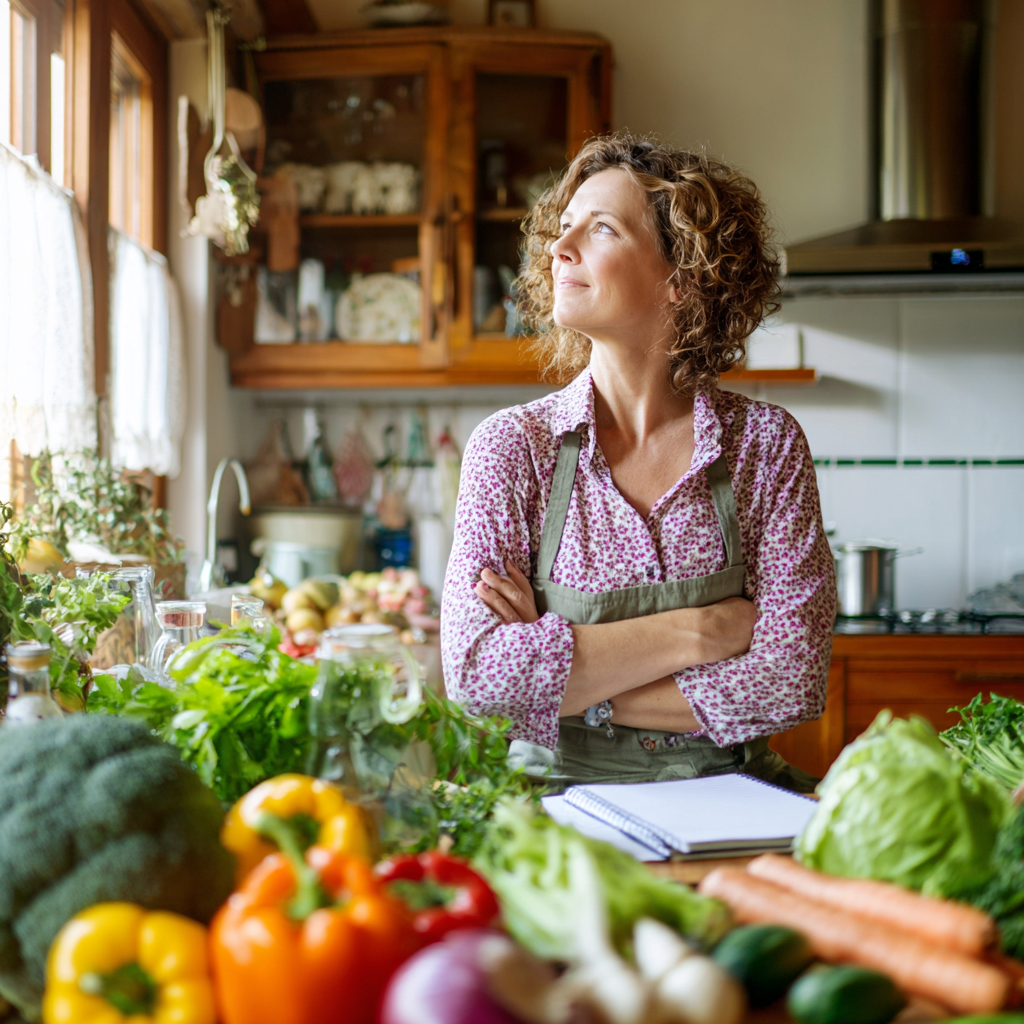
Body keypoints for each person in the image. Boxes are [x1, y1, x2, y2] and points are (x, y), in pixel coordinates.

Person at [440, 133, 836, 792]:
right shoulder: (514, 449)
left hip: (735, 807)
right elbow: (480, 681)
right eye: (562, 230)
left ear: (682, 277)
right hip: (553, 814)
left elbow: (791, 682)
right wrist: (706, 629)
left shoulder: (765, 446)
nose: (559, 249)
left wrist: (566, 682)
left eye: (600, 230)